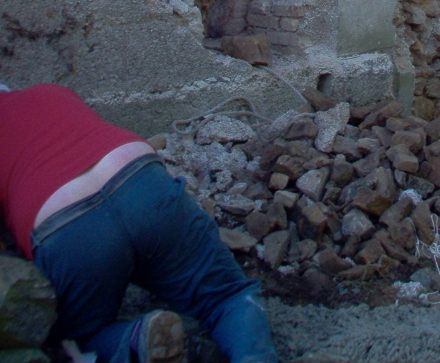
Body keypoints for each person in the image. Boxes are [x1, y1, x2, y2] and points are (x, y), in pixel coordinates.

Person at [0, 82, 278, 363]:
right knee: (225, 295)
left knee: (78, 337)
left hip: (67, 228)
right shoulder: (49, 91)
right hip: (141, 184)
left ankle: (135, 340)